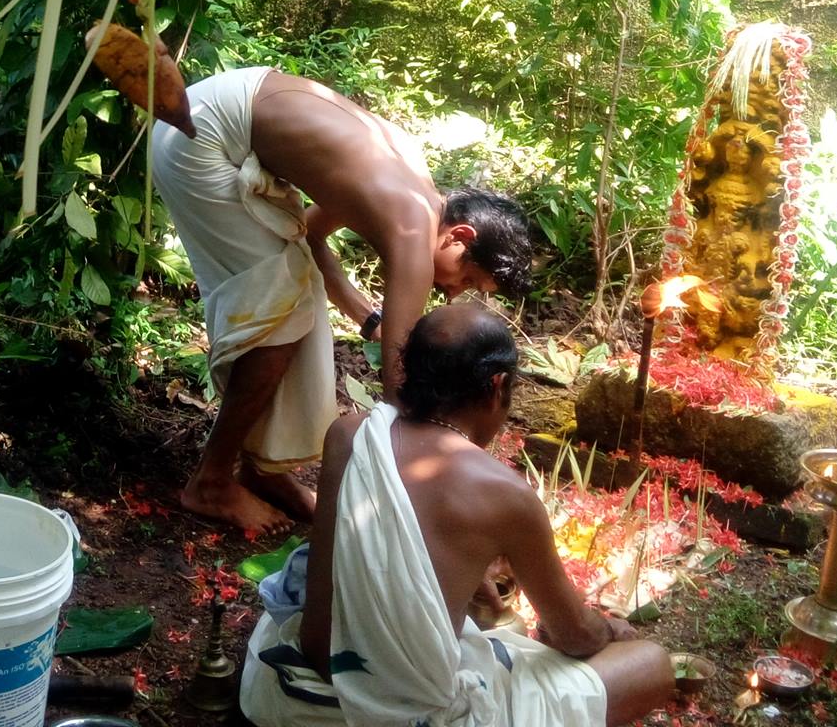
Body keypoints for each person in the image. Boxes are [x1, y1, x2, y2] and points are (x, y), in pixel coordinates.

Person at [240, 306, 674, 727]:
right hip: (400, 716)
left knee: (498, 624)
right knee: (650, 665)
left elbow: (364, 556)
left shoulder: (350, 434)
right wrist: (608, 632)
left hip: (293, 696)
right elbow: (574, 635)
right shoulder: (507, 495)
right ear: (497, 385)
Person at [149, 66, 534, 532]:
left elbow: (309, 235)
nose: (454, 293)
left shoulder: (410, 182)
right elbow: (399, 385)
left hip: (208, 110)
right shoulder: (413, 228)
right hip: (196, 135)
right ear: (460, 235)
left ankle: (263, 470)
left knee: (296, 301)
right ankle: (210, 481)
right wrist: (442, 460)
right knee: (280, 316)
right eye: (468, 279)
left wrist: (364, 315)